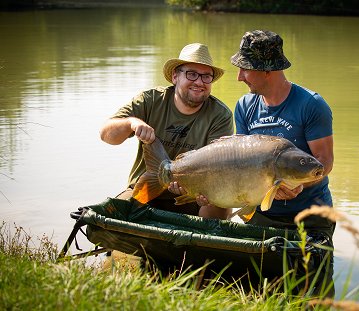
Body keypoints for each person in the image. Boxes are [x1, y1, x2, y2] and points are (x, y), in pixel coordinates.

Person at [230, 30, 335, 296]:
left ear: (268, 70)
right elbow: (239, 163)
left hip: (310, 218)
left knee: (314, 293)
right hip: (263, 215)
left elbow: (324, 162)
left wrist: (300, 185)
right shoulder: (244, 106)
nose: (239, 76)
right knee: (258, 292)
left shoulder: (311, 104)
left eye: (245, 69)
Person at [100, 43, 234, 220]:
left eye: (206, 76)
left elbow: (218, 168)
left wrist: (203, 190)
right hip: (146, 189)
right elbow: (106, 136)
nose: (199, 82)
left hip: (192, 196)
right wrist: (131, 123)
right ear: (175, 76)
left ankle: (201, 246)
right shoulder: (151, 100)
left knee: (220, 204)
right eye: (192, 74)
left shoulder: (220, 115)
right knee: (115, 214)